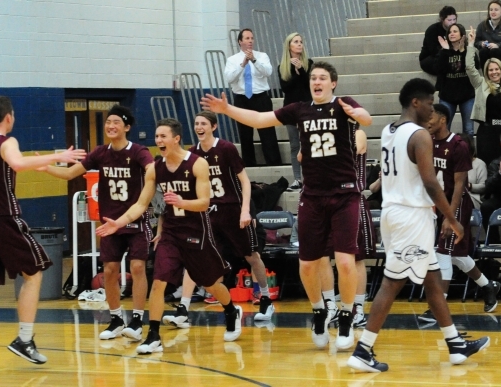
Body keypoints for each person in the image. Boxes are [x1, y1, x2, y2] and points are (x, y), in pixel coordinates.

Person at [202, 61, 372, 351]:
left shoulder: (343, 104)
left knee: (345, 261)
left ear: (333, 83)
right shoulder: (299, 109)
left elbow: (366, 119)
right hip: (313, 196)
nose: (316, 81)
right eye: (313, 78)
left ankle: (346, 316)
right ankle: (319, 310)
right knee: (306, 265)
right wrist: (227, 109)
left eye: (322, 78)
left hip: (345, 195)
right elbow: (258, 119)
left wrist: (357, 114)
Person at [346, 78, 489, 373]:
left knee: (433, 279)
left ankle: (455, 345)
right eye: (429, 101)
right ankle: (363, 350)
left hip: (395, 213)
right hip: (411, 216)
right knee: (392, 282)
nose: (432, 108)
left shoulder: (388, 130)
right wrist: (452, 218)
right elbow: (430, 184)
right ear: (415, 102)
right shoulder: (420, 135)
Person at [0, 96, 86, 371]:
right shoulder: (7, 142)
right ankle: (24, 339)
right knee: (34, 273)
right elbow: (18, 164)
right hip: (4, 218)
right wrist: (59, 156)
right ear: (9, 117)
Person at [97, 118, 242, 355]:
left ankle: (230, 310)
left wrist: (182, 201)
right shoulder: (155, 168)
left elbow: (205, 202)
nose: (158, 141)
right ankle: (153, 335)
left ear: (176, 138)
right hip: (171, 232)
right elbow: (141, 203)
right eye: (156, 137)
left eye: (163, 136)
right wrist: (119, 223)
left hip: (197, 232)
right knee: (158, 281)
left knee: (211, 283)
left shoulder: (198, 164)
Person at [40, 105, 153, 342]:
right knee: (110, 270)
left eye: (116, 122)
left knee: (138, 268)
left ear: (127, 127)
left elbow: (152, 171)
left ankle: (136, 319)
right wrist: (45, 167)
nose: (111, 126)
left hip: (135, 220)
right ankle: (116, 319)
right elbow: (70, 174)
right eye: (108, 122)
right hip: (110, 222)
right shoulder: (100, 153)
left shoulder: (140, 152)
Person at [162, 111, 274, 330]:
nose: (199, 127)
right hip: (207, 213)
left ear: (213, 127)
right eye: (196, 123)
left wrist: (245, 211)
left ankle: (266, 298)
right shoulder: (192, 154)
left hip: (232, 210)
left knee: (251, 256)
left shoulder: (226, 149)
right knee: (194, 256)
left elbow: (246, 182)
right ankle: (183, 309)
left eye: (203, 123)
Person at [417, 104, 500, 323]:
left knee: (443, 253)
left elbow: (459, 183)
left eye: (431, 116)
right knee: (456, 256)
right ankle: (488, 285)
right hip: (435, 205)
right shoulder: (428, 141)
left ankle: (438, 308)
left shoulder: (459, 145)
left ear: (443, 119)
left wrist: (450, 218)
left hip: (456, 205)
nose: (427, 120)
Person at [319, 129, 375, 329]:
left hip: (352, 200)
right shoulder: (321, 135)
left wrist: (322, 147)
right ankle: (330, 306)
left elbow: (356, 148)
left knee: (355, 258)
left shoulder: (358, 133)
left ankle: (357, 310)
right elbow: (302, 155)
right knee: (321, 257)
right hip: (325, 201)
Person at [224, 28, 281, 167]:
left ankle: (273, 164)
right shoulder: (232, 60)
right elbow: (229, 79)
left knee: (267, 132)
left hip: (260, 97)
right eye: (247, 38)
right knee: (245, 134)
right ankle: (249, 165)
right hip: (241, 98)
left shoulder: (262, 56)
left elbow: (268, 72)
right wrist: (243, 64)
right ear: (240, 41)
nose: (250, 41)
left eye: (252, 38)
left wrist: (254, 60)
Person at [278, 32, 313, 191]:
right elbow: (286, 88)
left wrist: (301, 70)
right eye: (296, 42)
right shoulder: (283, 67)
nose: (300, 44)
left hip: (307, 108)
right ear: (289, 46)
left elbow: (310, 86)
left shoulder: (309, 63)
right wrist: (294, 71)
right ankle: (297, 179)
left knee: (309, 143)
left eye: (301, 41)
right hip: (291, 110)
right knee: (294, 145)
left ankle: (311, 177)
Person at [466, 26, 501, 165]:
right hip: (487, 132)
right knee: (487, 165)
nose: (494, 72)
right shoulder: (481, 83)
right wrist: (471, 44)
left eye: (496, 69)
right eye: (490, 70)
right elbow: (470, 68)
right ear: (486, 72)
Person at [436, 23, 477, 135]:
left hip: (467, 96)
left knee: (469, 130)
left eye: (455, 31)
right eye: (450, 32)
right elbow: (440, 70)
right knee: (443, 128)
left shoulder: (469, 50)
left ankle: (468, 152)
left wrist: (466, 49)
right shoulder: (444, 52)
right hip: (447, 96)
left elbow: (474, 67)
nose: (452, 34)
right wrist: (446, 51)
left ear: (462, 34)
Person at [480, 129, 501, 244]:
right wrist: (500, 173)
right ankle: (493, 243)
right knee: (486, 206)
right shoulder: (495, 163)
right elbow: (488, 188)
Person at [419, 6, 458, 76]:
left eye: (454, 19)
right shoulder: (432, 30)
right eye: (449, 20)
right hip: (430, 57)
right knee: (442, 62)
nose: (453, 22)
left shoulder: (457, 29)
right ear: (442, 19)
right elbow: (433, 50)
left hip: (451, 56)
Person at [474, 0, 501, 69]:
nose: (493, 12)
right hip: (487, 52)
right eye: (491, 10)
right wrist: (481, 43)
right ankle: (486, 76)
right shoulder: (482, 25)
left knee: (495, 51)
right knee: (483, 51)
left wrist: (498, 45)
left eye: (496, 10)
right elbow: (476, 42)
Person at [459, 133, 487, 210]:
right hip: (452, 195)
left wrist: (469, 186)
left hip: (472, 197)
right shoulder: (450, 162)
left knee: (462, 200)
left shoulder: (479, 164)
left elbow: (484, 186)